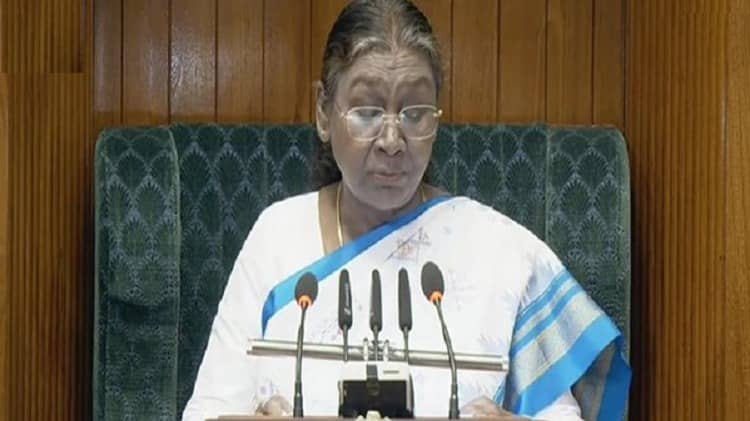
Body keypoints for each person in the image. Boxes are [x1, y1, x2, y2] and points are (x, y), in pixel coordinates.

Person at [182, 1, 631, 420]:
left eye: (414, 113)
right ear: (323, 112)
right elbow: (206, 412)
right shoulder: (278, 236)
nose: (392, 141)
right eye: (367, 112)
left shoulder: (499, 250)